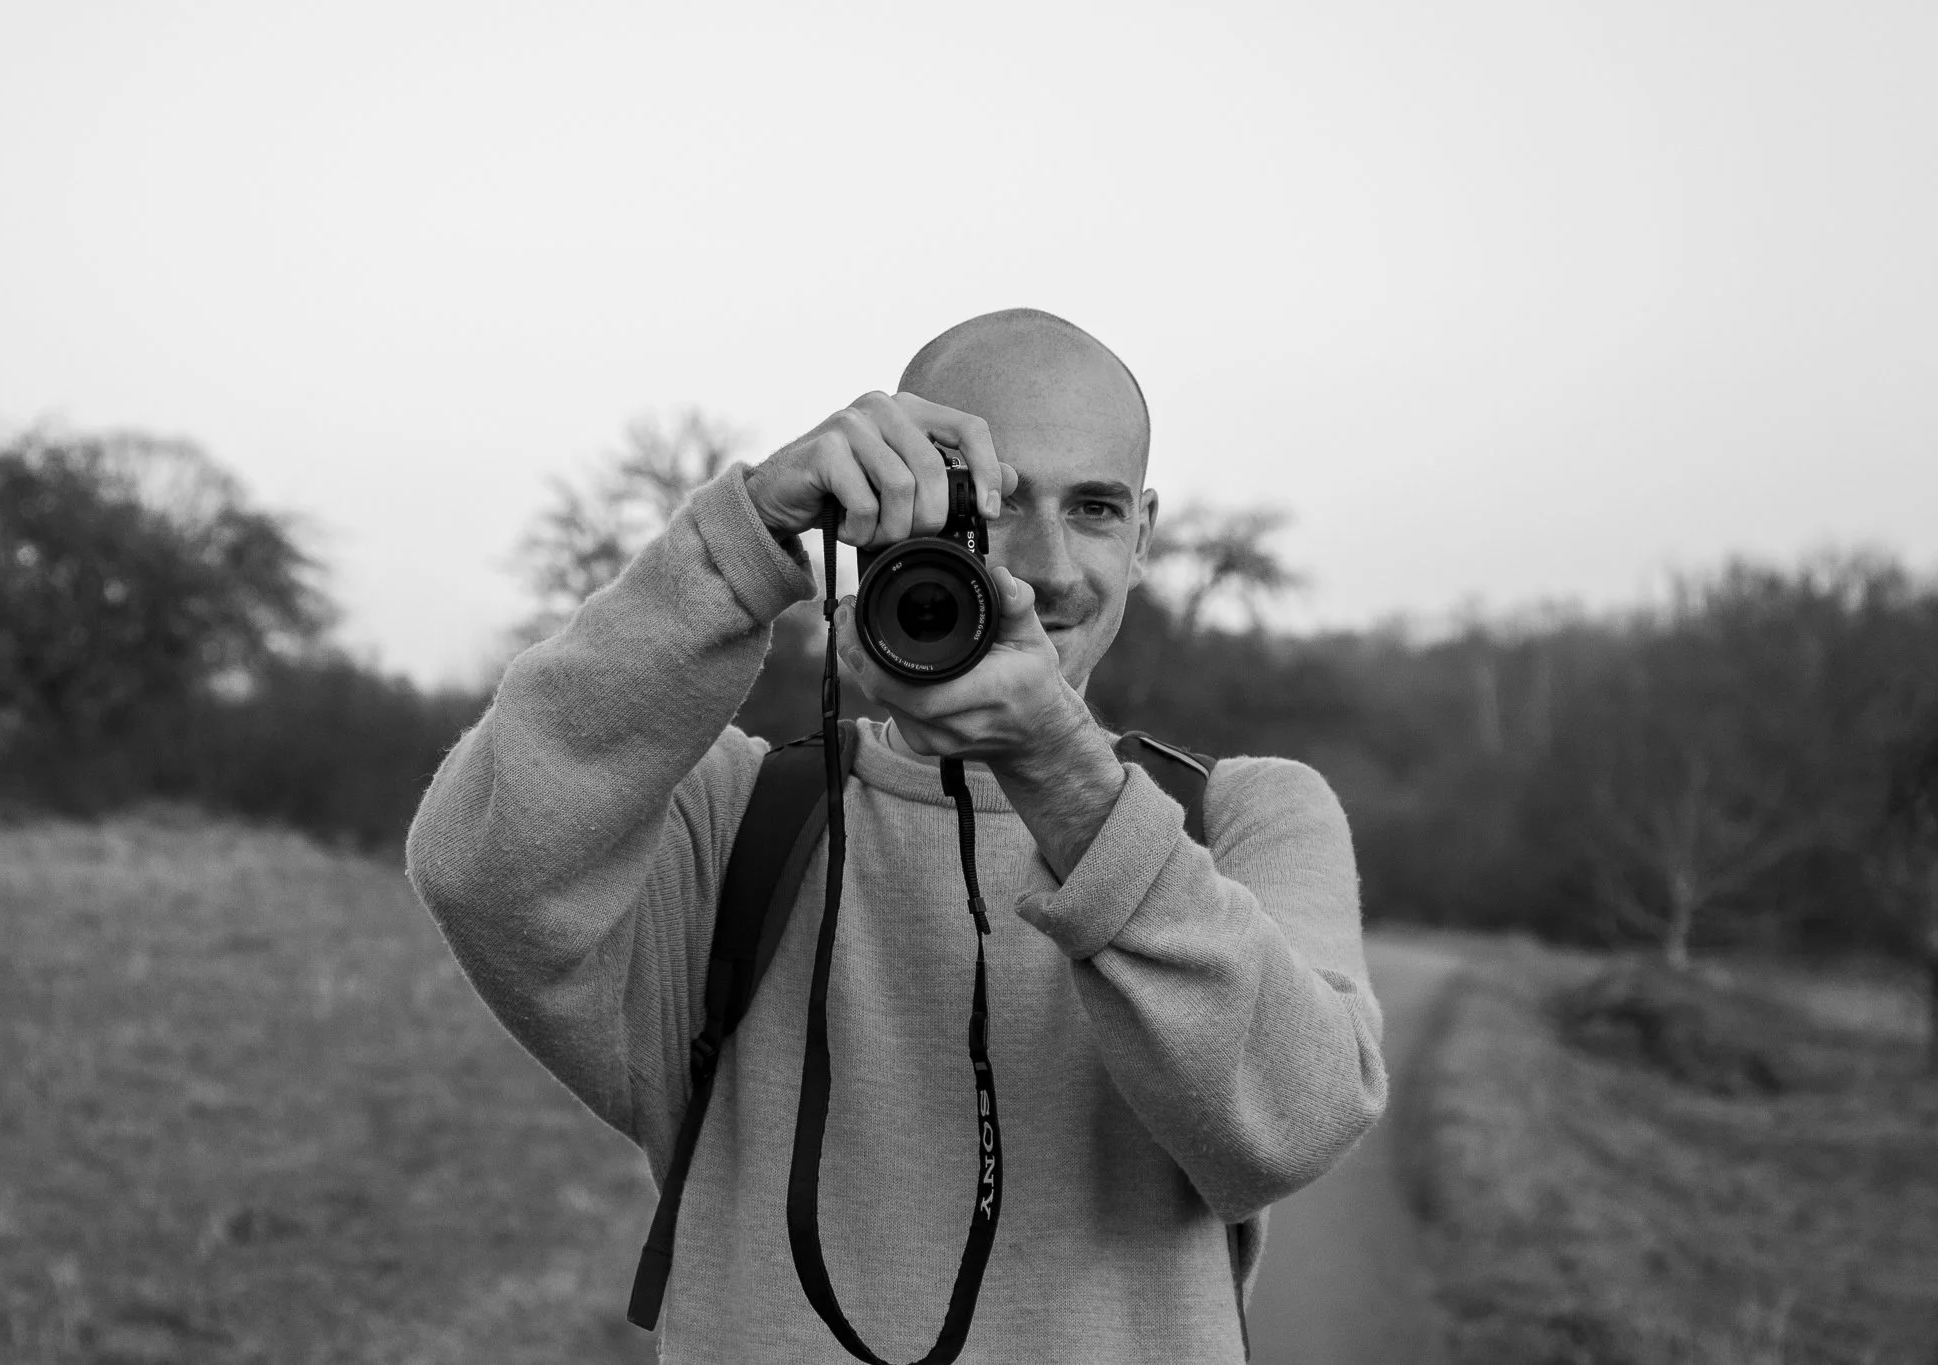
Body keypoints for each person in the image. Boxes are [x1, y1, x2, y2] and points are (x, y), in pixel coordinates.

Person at [404, 308, 1389, 1363]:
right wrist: (740, 547)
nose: (1049, 565)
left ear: (1143, 535)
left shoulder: (1247, 818)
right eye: (997, 504)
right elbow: (479, 866)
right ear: (891, 519)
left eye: (1094, 509)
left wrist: (1062, 776)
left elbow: (1294, 1122)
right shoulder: (732, 822)